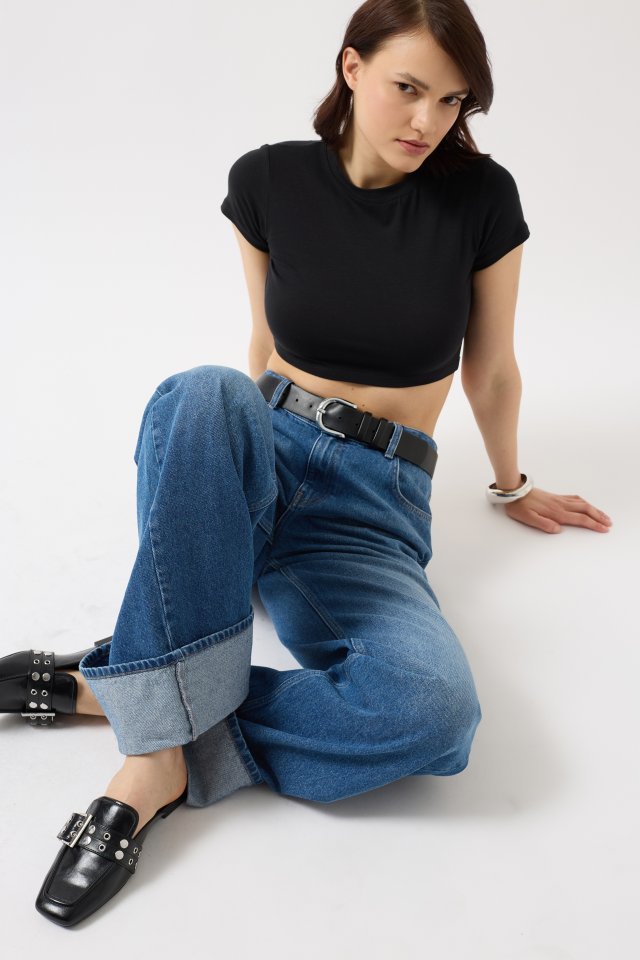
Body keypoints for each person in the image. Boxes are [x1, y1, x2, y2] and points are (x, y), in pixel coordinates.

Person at [0, 0, 612, 928]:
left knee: (432, 714)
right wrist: (224, 473)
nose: (428, 120)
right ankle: (149, 771)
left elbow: (490, 370)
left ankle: (113, 694)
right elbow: (262, 341)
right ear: (352, 68)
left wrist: (512, 484)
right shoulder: (266, 180)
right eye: (408, 88)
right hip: (260, 444)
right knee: (203, 391)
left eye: (453, 101)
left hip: (373, 504)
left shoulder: (481, 199)